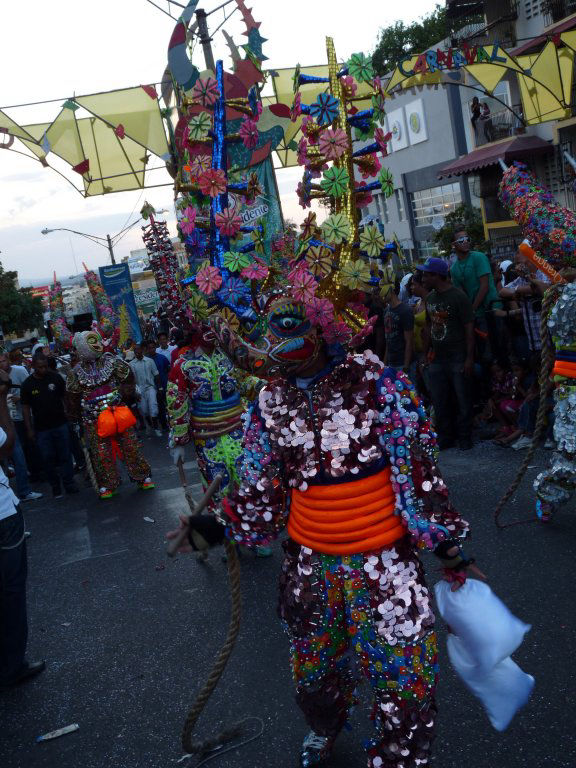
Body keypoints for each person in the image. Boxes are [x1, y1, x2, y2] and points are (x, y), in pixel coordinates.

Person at [66, 331, 154, 499]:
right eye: (88, 343)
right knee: (101, 452)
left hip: (117, 412)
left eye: (95, 341)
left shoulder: (112, 362)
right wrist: (76, 420)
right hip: (93, 418)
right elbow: (72, 398)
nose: (93, 346)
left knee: (129, 444)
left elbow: (128, 379)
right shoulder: (75, 372)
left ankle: (142, 476)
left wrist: (122, 394)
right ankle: (108, 483)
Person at [0, 366, 46, 688]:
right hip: (2, 519)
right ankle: (11, 666)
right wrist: (1, 399)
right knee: (11, 592)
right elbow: (6, 443)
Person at [420, 257, 475, 450]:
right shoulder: (430, 298)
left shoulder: (458, 296)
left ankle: (465, 436)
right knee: (440, 399)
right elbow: (428, 326)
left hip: (457, 356)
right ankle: (446, 436)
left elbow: (469, 327)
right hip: (438, 357)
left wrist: (469, 358)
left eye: (427, 274)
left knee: (462, 399)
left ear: (437, 276)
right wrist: (425, 353)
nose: (423, 277)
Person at [20, 355, 78, 498]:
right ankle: (55, 486)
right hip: (42, 429)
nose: (44, 369)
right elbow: (26, 408)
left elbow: (65, 397)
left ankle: (69, 483)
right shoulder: (27, 385)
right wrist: (29, 429)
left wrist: (70, 412)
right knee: (48, 458)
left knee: (65, 454)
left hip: (60, 423)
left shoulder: (55, 378)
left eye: (45, 366)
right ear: (33, 366)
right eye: (40, 367)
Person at [449, 227, 502, 362]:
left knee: (498, 349)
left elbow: (484, 286)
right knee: (483, 353)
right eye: (461, 240)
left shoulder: (479, 257)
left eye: (467, 239)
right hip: (475, 314)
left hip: (491, 308)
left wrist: (471, 309)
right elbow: (461, 294)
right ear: (453, 245)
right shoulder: (454, 269)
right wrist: (470, 311)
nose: (466, 241)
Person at [0, 353, 42, 503]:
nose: (2, 364)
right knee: (16, 456)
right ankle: (21, 491)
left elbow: (29, 390)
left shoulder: (19, 371)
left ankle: (25, 487)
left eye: (3, 360)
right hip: (6, 424)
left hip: (16, 419)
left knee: (22, 453)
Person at [129, 343, 162, 437]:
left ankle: (156, 428)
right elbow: (132, 381)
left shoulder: (149, 361)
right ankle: (150, 425)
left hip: (150, 388)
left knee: (153, 407)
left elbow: (156, 374)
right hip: (139, 390)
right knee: (144, 410)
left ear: (142, 350)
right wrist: (134, 392)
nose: (138, 352)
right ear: (134, 352)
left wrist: (159, 388)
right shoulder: (132, 364)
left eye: (139, 350)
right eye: (136, 351)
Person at [381, 283, 414, 371]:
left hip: (402, 362)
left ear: (392, 291)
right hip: (391, 362)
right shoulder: (386, 311)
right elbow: (388, 338)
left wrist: (406, 366)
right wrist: (384, 364)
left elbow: (409, 340)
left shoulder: (405, 311)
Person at [145, 339, 169, 431]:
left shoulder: (162, 358)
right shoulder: (146, 360)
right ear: (147, 349)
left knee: (168, 405)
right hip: (153, 387)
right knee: (159, 406)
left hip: (165, 385)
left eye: (153, 347)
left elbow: (167, 369)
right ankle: (164, 425)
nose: (151, 350)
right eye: (149, 348)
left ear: (155, 348)